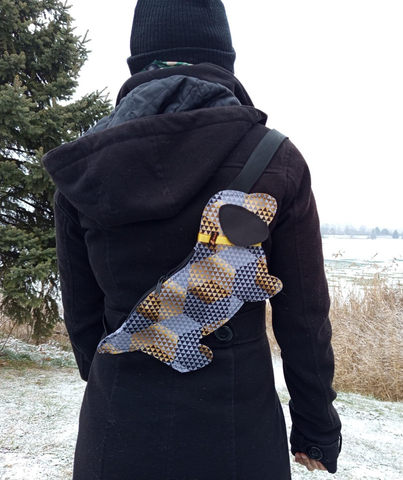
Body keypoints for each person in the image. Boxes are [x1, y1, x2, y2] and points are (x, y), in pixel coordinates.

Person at [43, 1, 341, 478]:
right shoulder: (276, 159)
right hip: (238, 431)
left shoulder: (85, 162)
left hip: (118, 424)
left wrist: (113, 377)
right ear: (223, 58)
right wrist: (316, 426)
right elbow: (303, 317)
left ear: (139, 60)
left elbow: (81, 312)